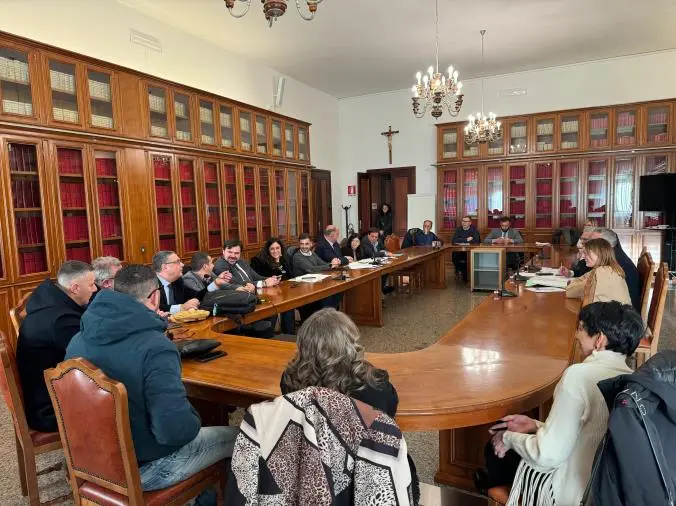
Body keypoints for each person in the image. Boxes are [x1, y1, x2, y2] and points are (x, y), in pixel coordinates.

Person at [65, 265, 237, 501]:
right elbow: (173, 432)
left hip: (90, 460)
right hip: (145, 468)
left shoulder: (77, 339)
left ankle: (201, 497)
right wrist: (196, 419)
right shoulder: (155, 347)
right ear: (155, 296)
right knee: (243, 436)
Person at [474, 301, 643, 506]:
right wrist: (534, 425)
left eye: (581, 329)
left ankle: (505, 494)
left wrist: (508, 438)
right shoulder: (634, 380)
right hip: (605, 492)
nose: (576, 336)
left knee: (495, 446)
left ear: (599, 340)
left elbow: (547, 455)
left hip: (568, 495)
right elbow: (587, 434)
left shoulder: (578, 376)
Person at [280, 308, 419, 503]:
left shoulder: (290, 380)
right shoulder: (374, 385)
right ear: (349, 341)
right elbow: (389, 415)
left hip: (311, 470)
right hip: (363, 478)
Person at [16, 260, 97, 432]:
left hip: (46, 393)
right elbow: (93, 357)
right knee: (124, 393)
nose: (95, 289)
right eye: (91, 285)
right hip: (50, 408)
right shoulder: (60, 320)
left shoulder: (52, 300)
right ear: (75, 288)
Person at [566, 238, 632, 305]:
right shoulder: (610, 268)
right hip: (622, 313)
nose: (583, 257)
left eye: (587, 253)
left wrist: (575, 284)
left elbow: (570, 292)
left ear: (599, 253)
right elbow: (578, 282)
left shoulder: (602, 272)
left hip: (613, 314)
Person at [251, 238, 296, 334]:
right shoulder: (259, 261)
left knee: (289, 304)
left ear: (281, 248)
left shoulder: (284, 258)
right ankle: (269, 334)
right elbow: (262, 278)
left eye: (277, 248)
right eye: (272, 249)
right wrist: (276, 264)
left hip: (282, 291)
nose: (275, 251)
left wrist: (279, 261)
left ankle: (289, 334)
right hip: (266, 294)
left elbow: (290, 275)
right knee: (274, 307)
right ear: (268, 250)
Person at [292, 234, 342, 319]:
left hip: (315, 284)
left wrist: (334, 263)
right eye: (302, 244)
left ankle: (328, 317)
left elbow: (323, 264)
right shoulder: (297, 256)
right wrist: (330, 265)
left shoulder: (312, 254)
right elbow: (311, 269)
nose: (304, 246)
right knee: (327, 296)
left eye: (306, 244)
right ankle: (323, 319)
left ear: (311, 244)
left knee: (338, 291)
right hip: (303, 289)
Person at [212, 239, 281, 291]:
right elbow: (236, 283)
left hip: (255, 292)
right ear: (223, 251)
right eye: (230, 252)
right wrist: (263, 283)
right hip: (241, 297)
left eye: (236, 253)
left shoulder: (242, 261)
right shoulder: (220, 265)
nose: (233, 256)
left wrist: (270, 279)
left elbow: (256, 276)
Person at [452, 216, 480, 281]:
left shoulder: (474, 230)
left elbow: (476, 241)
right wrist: (466, 239)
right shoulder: (458, 229)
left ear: (470, 223)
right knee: (455, 256)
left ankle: (466, 274)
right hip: (459, 251)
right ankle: (459, 271)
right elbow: (454, 240)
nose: (464, 223)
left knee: (467, 260)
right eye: (463, 221)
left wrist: (460, 240)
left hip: (470, 251)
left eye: (466, 221)